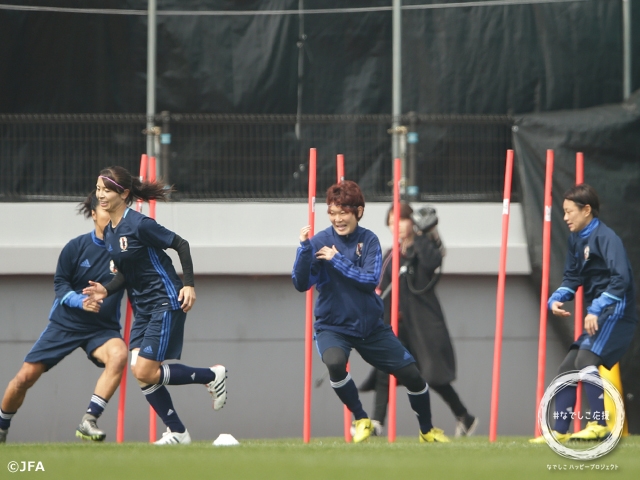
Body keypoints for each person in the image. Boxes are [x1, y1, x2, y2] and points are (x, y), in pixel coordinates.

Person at [292, 180, 449, 443]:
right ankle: (362, 418)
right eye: (332, 213)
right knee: (334, 363)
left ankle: (427, 430)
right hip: (332, 326)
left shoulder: (369, 240)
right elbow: (300, 283)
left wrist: (337, 259)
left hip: (370, 327)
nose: (338, 219)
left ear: (358, 212)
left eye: (344, 212)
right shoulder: (319, 241)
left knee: (413, 376)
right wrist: (304, 250)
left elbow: (368, 281)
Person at [83, 166, 227, 445]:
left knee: (145, 370)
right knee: (140, 370)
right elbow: (125, 273)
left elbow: (180, 244)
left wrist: (189, 285)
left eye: (107, 189)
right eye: (98, 188)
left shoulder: (139, 224)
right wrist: (106, 289)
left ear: (123, 194)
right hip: (144, 309)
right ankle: (178, 432)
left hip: (165, 299)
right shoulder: (110, 233)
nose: (100, 194)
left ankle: (212, 375)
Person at [0, 193, 128, 444]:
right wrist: (81, 301)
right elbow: (60, 285)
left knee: (120, 355)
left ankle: (89, 419)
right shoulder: (76, 247)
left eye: (117, 212)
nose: (112, 217)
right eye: (106, 211)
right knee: (24, 378)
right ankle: (2, 427)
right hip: (65, 323)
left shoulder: (127, 253)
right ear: (93, 214)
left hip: (103, 329)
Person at [530, 183, 638, 443]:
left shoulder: (606, 237)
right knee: (567, 369)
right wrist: (555, 299)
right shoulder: (575, 240)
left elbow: (621, 279)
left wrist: (597, 308)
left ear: (587, 210)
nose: (565, 217)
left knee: (584, 360)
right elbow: (571, 278)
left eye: (569, 212)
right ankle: (559, 431)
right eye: (563, 212)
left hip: (617, 312)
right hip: (600, 314)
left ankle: (599, 424)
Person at [362, 202, 477, 437]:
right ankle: (376, 422)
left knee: (432, 375)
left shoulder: (422, 246)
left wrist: (420, 239)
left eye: (402, 220)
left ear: (412, 222)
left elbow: (431, 263)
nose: (398, 227)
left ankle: (464, 416)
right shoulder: (390, 255)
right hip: (397, 325)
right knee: (385, 370)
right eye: (392, 223)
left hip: (422, 324)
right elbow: (380, 287)